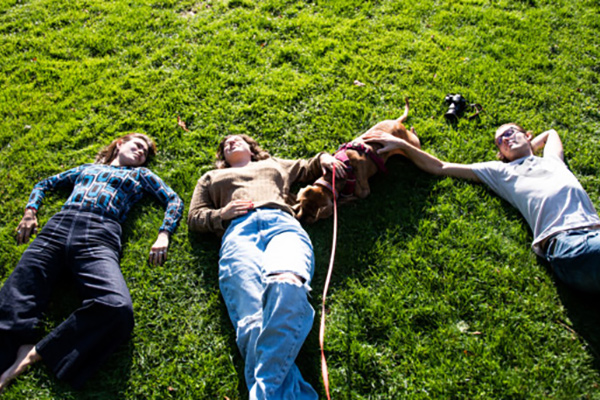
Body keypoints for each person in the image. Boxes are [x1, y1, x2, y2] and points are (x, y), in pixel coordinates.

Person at [0, 133, 184, 392]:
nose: (142, 153)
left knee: (116, 308)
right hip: (57, 226)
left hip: (100, 233)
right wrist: (31, 211)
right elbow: (45, 184)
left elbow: (173, 200)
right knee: (13, 298)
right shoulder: (87, 168)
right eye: (138, 146)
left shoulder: (141, 176)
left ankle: (36, 352)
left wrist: (164, 233)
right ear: (120, 144)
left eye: (146, 153)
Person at [187, 134, 345, 399]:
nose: (230, 143)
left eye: (237, 140)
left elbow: (307, 167)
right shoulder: (209, 178)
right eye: (225, 144)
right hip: (238, 234)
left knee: (287, 284)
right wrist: (220, 215)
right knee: (251, 323)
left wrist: (324, 158)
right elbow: (195, 217)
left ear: (251, 147)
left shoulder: (273, 164)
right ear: (222, 157)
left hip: (281, 224)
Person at [364, 124, 600, 293]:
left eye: (510, 133)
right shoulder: (501, 172)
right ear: (500, 154)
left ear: (527, 135)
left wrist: (529, 148)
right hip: (568, 245)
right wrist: (402, 145)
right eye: (500, 141)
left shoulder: (552, 161)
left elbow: (551, 134)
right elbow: (441, 166)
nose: (506, 139)